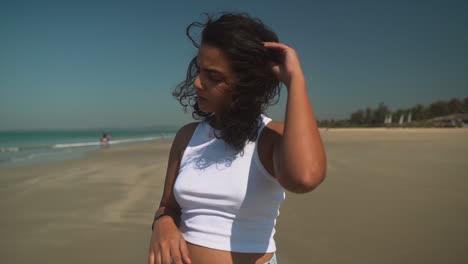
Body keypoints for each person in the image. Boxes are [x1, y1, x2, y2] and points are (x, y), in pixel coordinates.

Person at [148, 12, 327, 264]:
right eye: (199, 70)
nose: (198, 83)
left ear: (246, 85)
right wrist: (163, 224)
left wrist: (295, 80)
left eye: (214, 77)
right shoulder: (187, 136)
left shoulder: (270, 138)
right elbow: (169, 206)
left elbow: (305, 178)